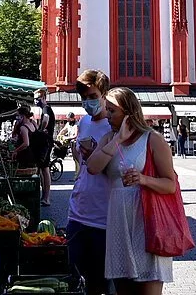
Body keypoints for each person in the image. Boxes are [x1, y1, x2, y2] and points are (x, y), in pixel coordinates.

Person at [88, 87, 177, 293]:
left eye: (112, 111)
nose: (107, 115)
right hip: (119, 223)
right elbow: (92, 167)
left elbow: (170, 184)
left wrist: (143, 179)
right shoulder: (109, 138)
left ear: (128, 112)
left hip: (146, 223)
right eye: (107, 110)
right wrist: (118, 139)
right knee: (123, 289)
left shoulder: (152, 139)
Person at [68, 68, 114, 295]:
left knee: (99, 283)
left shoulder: (114, 127)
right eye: (84, 98)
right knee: (76, 278)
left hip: (102, 217)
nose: (87, 102)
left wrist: (97, 154)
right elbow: (80, 159)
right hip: (77, 211)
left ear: (104, 95)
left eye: (92, 97)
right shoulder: (84, 122)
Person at [32, 89, 57, 206]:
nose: (36, 101)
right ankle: (44, 196)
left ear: (44, 98)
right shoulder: (44, 109)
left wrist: (40, 130)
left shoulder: (46, 108)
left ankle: (46, 197)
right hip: (46, 142)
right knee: (43, 168)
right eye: (35, 99)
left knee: (45, 168)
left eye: (38, 98)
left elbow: (46, 120)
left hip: (46, 142)